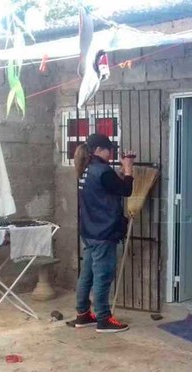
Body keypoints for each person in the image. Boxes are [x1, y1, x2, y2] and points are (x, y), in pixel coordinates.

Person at [68, 133, 134, 333]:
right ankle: (103, 319)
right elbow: (125, 190)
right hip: (103, 232)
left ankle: (82, 314)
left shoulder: (86, 169)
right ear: (98, 150)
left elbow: (107, 189)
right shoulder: (103, 171)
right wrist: (128, 168)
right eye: (109, 151)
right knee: (103, 276)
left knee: (87, 275)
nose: (110, 154)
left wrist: (120, 171)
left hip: (89, 231)